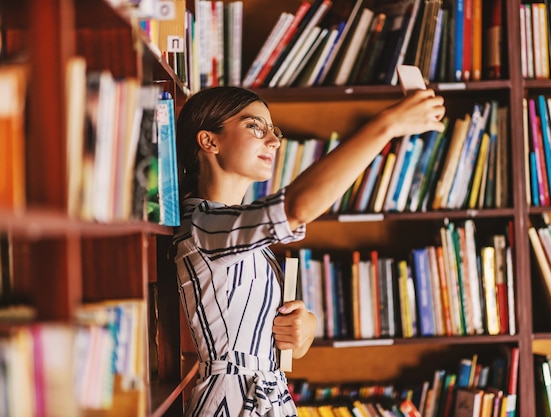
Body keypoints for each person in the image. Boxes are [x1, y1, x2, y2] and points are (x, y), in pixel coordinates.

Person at [170, 85, 445, 417]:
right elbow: (297, 208)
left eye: (275, 131)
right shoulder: (201, 224)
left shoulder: (239, 234)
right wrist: (386, 125)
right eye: (256, 126)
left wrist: (304, 326)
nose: (273, 140)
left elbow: (266, 334)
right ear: (209, 141)